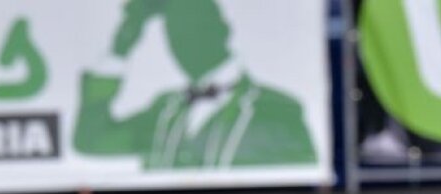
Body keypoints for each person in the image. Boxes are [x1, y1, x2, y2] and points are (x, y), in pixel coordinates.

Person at [73, 0, 315, 168]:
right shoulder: (165, 110)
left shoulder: (276, 110)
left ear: (222, 30)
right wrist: (122, 43)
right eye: (175, 33)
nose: (184, 41)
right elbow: (90, 140)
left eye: (195, 25)